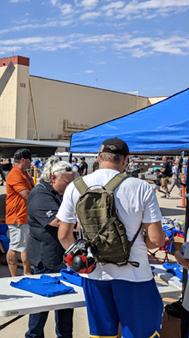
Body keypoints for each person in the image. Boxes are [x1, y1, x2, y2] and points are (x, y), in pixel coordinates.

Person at [57, 137, 166, 338]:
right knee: (141, 333)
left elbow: (63, 235)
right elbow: (157, 240)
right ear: (125, 160)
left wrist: (86, 259)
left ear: (98, 158)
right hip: (135, 274)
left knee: (102, 335)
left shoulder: (76, 186)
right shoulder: (140, 187)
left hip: (94, 275)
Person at [26, 157, 76, 338]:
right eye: (67, 182)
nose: (71, 186)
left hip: (63, 256)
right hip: (46, 258)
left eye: (73, 182)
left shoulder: (63, 193)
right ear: (53, 178)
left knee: (66, 303)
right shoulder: (40, 194)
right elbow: (58, 221)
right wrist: (83, 224)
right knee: (42, 305)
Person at [5, 148, 34, 276]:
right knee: (15, 247)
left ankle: (27, 273)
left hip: (24, 216)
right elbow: (26, 194)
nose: (31, 162)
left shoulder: (23, 173)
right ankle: (13, 276)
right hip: (18, 217)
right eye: (30, 159)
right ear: (23, 160)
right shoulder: (15, 174)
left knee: (25, 247)